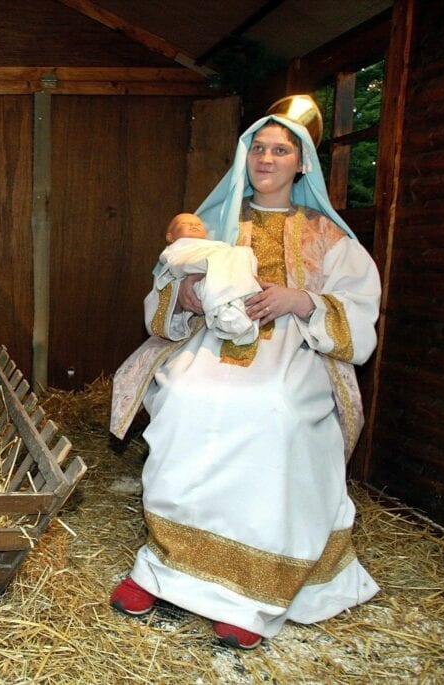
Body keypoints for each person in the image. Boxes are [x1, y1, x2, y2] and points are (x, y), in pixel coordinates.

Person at [107, 95, 381, 649]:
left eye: (281, 149)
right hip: (212, 347)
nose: (267, 158)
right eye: (258, 147)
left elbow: (357, 312)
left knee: (273, 412)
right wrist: (182, 293)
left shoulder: (329, 238)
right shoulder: (211, 224)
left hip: (295, 353)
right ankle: (166, 570)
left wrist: (299, 300)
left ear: (302, 162)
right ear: (245, 155)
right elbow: (160, 296)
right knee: (184, 399)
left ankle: (255, 592)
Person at [156, 212, 261, 345]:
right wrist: (179, 291)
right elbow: (176, 264)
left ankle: (237, 305)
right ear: (170, 237)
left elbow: (227, 253)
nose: (193, 225)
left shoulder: (216, 244)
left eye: (198, 224)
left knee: (244, 252)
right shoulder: (177, 248)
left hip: (224, 274)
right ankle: (224, 312)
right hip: (202, 274)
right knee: (211, 280)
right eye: (185, 224)